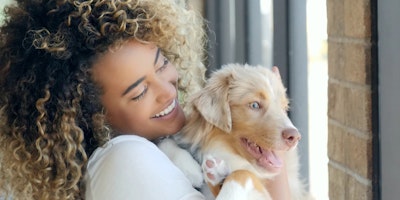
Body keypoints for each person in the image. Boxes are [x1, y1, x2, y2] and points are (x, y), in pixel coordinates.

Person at [0, 0, 291, 199]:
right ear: (94, 116)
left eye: (162, 63)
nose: (167, 91)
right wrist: (271, 149)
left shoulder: (169, 150)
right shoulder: (125, 159)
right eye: (139, 92)